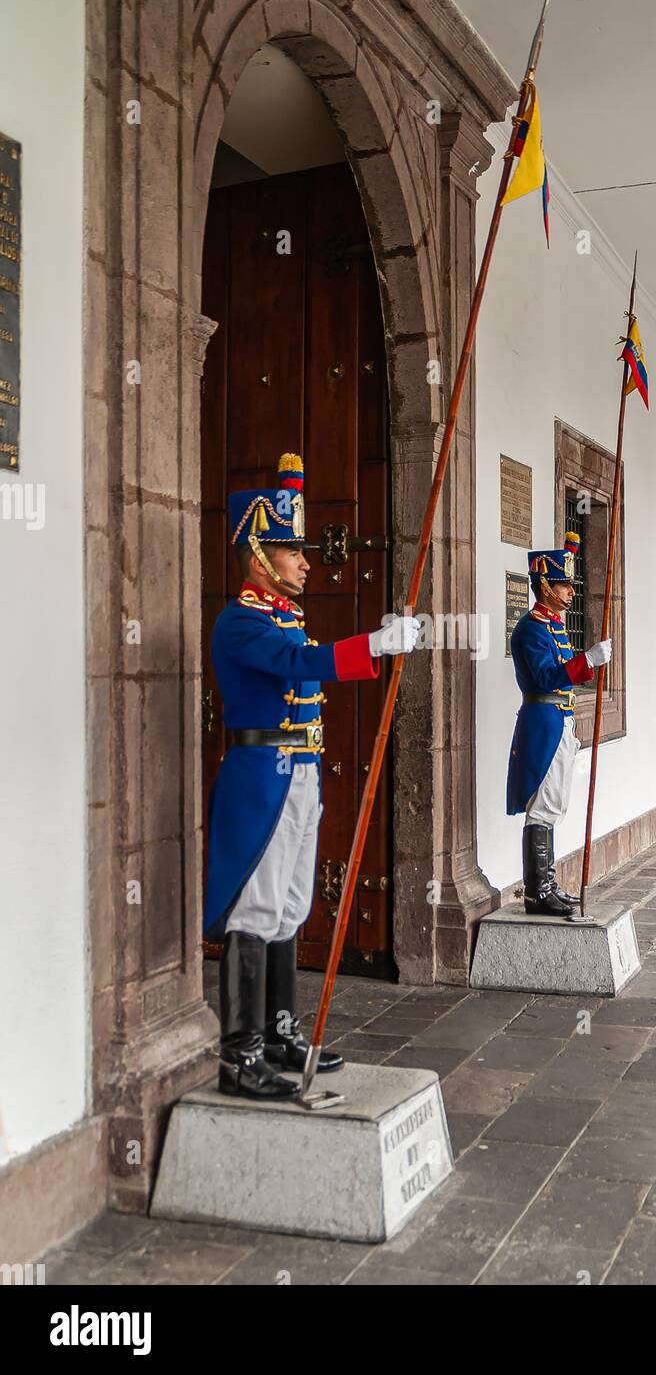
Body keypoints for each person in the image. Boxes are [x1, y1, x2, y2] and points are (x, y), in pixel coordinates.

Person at [204, 454, 422, 1099]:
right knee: (256, 906)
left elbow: (302, 654)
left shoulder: (285, 615)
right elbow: (297, 662)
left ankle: (276, 1032)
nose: (305, 561)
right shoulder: (242, 621)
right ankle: (239, 1053)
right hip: (261, 776)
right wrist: (374, 647)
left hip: (298, 770)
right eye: (290, 549)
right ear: (259, 555)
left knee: (292, 903)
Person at [506, 531, 612, 915]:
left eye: (570, 584)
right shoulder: (531, 629)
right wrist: (589, 661)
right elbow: (548, 677)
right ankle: (537, 892)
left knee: (557, 803)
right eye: (565, 585)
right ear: (546, 586)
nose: (571, 592)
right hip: (542, 724)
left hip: (559, 720)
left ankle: (546, 885)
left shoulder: (552, 624)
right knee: (544, 804)